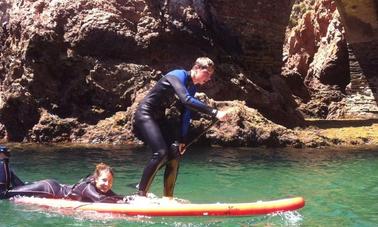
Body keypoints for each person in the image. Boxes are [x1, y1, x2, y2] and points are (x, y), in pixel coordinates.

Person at [133, 57, 230, 198]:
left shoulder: (192, 87)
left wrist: (182, 139)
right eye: (207, 73)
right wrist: (214, 112)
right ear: (196, 68)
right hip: (145, 114)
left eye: (210, 75)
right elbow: (187, 100)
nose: (208, 78)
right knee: (160, 153)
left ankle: (168, 197)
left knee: (174, 153)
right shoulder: (177, 75)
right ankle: (141, 195)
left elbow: (186, 112)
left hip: (159, 118)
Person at [3, 155, 125, 203]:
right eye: (104, 180)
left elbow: (115, 196)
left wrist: (128, 199)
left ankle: (6, 169)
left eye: (110, 181)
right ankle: (2, 163)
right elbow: (100, 200)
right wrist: (121, 202)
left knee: (17, 187)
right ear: (96, 179)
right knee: (5, 194)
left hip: (56, 186)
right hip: (49, 189)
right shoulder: (88, 186)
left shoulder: (102, 188)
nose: (107, 184)